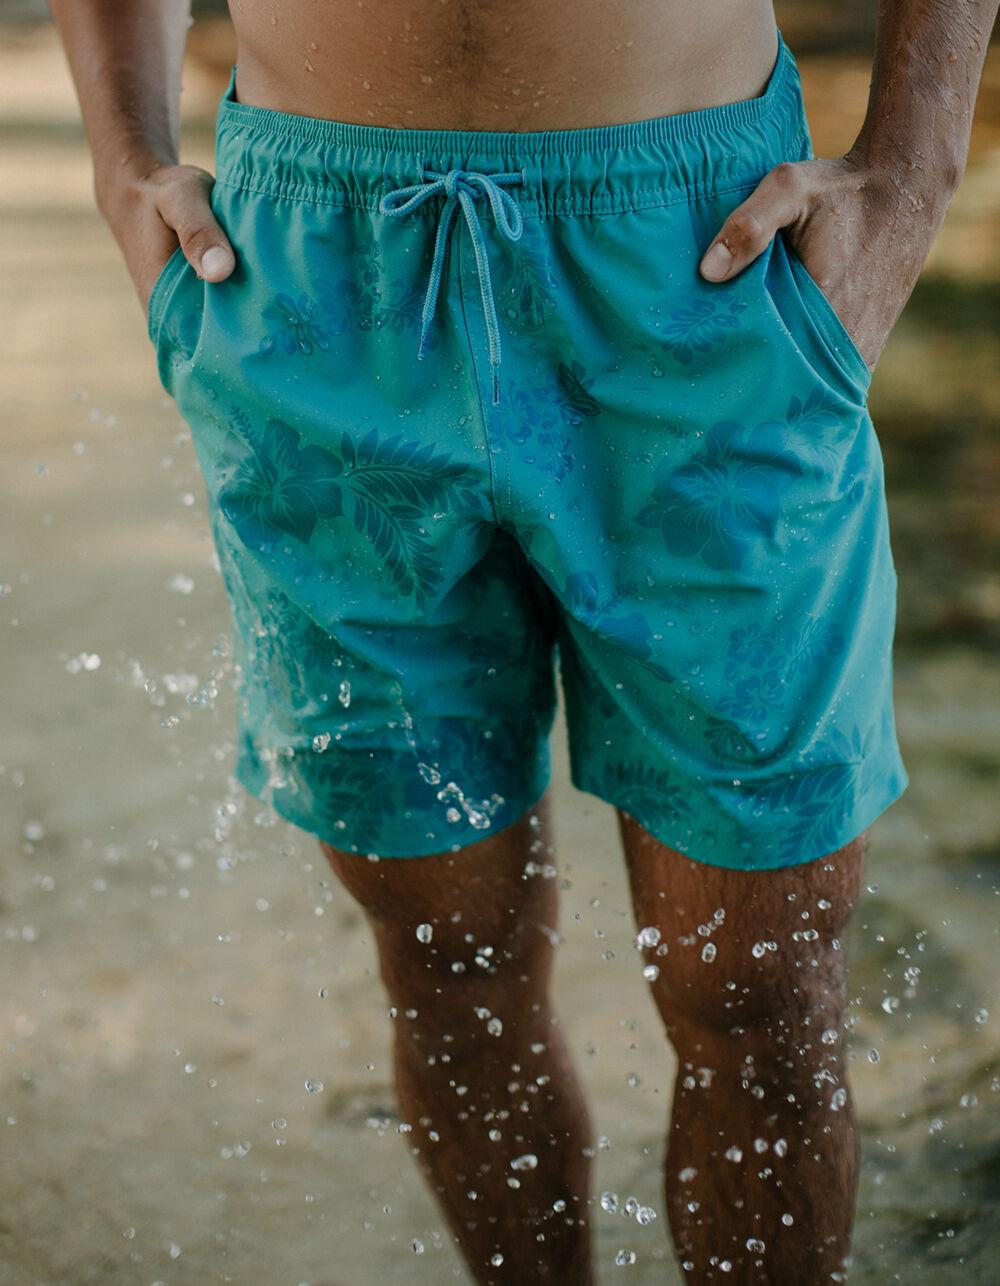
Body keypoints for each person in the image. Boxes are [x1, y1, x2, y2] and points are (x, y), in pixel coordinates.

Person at [48, 1, 996, 1281]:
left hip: (695, 259)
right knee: (447, 964)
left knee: (759, 985)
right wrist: (122, 152)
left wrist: (912, 165)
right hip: (316, 280)